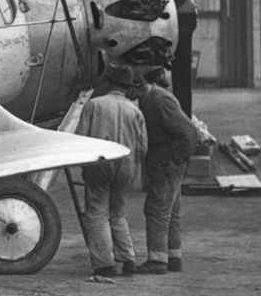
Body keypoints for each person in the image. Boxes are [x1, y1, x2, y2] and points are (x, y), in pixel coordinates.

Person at [72, 63, 148, 281]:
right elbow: (143, 147)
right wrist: (133, 164)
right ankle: (128, 260)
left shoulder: (94, 105)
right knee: (118, 213)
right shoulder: (135, 111)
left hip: (100, 162)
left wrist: (84, 164)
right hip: (127, 164)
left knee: (96, 214)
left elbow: (81, 137)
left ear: (109, 82)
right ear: (127, 87)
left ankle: (105, 265)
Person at [136, 66, 200, 274]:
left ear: (139, 84)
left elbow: (189, 132)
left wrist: (176, 160)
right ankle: (173, 258)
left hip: (166, 161)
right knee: (170, 212)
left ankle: (157, 261)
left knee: (156, 210)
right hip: (163, 160)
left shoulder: (159, 100)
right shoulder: (152, 98)